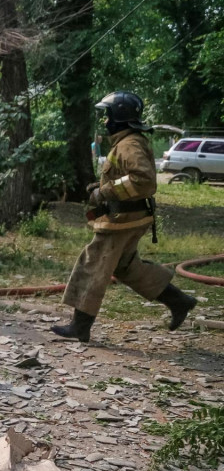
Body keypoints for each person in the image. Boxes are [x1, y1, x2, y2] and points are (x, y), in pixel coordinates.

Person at [52, 91, 197, 342]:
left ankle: (80, 326)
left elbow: (143, 180)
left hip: (123, 221)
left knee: (93, 262)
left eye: (108, 116)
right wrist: (99, 189)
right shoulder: (126, 142)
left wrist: (105, 191)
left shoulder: (129, 144)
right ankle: (179, 301)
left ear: (119, 116)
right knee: (126, 267)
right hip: (130, 218)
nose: (105, 121)